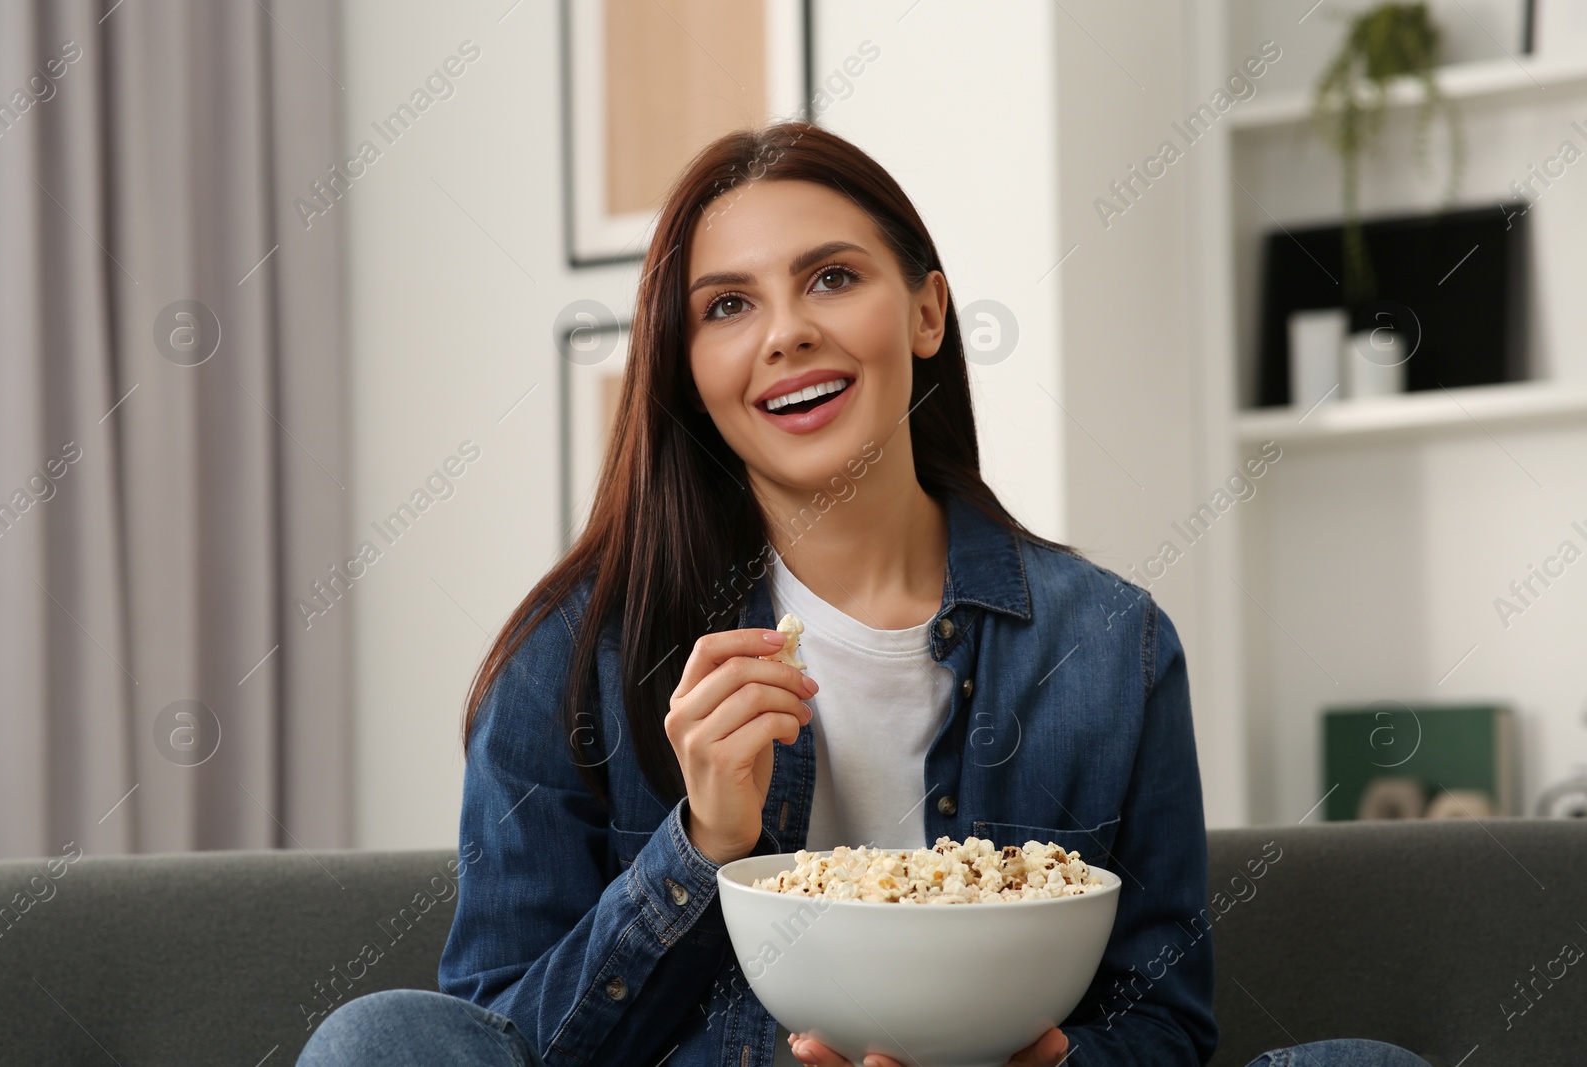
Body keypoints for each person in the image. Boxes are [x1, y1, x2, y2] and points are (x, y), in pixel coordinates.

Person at [295, 121, 1432, 1067]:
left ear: (926, 314)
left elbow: (1165, 1023)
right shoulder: (575, 651)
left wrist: (1053, 1062)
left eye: (831, 278)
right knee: (380, 1039)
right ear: (690, 372)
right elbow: (495, 1039)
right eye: (725, 306)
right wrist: (699, 842)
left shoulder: (1110, 643)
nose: (786, 332)